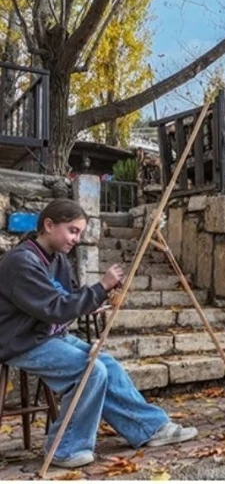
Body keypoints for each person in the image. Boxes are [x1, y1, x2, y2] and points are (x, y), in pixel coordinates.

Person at [0, 199, 197, 469]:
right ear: (48, 225)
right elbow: (56, 308)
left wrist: (93, 303)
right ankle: (64, 447)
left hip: (46, 336)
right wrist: (100, 287)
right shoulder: (21, 262)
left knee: (106, 364)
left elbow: (67, 298)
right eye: (72, 230)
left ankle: (149, 428)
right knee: (91, 370)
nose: (76, 239)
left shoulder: (57, 259)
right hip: (21, 342)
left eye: (79, 232)